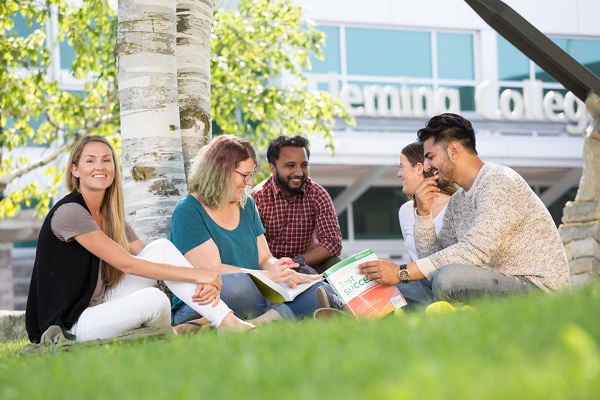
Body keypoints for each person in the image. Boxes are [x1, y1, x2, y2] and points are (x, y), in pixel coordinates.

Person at [25, 136, 253, 343]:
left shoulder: (109, 214)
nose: (100, 167)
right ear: (75, 170)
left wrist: (201, 279)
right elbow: (128, 263)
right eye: (90, 161)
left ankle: (225, 321)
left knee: (161, 247)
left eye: (106, 160)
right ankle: (184, 330)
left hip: (101, 303)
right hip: (72, 321)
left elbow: (150, 256)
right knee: (155, 301)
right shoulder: (70, 213)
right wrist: (200, 274)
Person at [359, 113, 570, 308]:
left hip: (536, 289)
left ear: (453, 150)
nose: (426, 166)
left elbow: (473, 251)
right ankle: (351, 304)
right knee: (430, 282)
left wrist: (401, 272)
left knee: (449, 280)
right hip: (495, 283)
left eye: (430, 156)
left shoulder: (498, 181)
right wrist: (423, 214)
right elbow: (434, 259)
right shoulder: (459, 200)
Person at [169, 135, 342, 325]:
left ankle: (258, 322)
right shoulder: (188, 210)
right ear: (220, 172)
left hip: (256, 290)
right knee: (237, 287)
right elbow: (212, 270)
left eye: (251, 175)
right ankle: (278, 315)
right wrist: (267, 276)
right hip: (205, 300)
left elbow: (264, 258)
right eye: (245, 175)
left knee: (316, 287)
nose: (249, 183)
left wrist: (281, 270)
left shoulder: (246, 204)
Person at [251, 135, 342, 274]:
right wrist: (276, 268)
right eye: (290, 165)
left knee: (335, 263)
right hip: (267, 269)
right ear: (272, 168)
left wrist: (295, 262)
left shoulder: (318, 194)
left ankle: (330, 295)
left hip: (306, 263)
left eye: (304, 165)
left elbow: (332, 243)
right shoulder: (257, 197)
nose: (299, 172)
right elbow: (247, 247)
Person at [398, 141, 457, 261]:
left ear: (419, 168)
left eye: (401, 167)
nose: (399, 174)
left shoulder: (456, 205)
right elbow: (414, 260)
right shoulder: (405, 211)